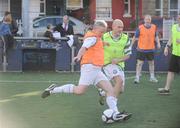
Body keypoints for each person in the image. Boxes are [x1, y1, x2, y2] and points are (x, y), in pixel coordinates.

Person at [41, 20, 131, 121]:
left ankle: (116, 113)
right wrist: (78, 56)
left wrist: (103, 43)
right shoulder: (92, 37)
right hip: (89, 68)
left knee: (110, 90)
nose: (102, 34)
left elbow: (97, 44)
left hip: (96, 70)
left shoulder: (97, 37)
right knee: (79, 91)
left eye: (104, 32)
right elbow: (84, 47)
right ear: (95, 29)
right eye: (101, 32)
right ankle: (53, 90)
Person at [98, 19, 132, 105]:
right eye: (119, 27)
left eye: (122, 27)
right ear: (113, 27)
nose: (121, 29)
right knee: (119, 81)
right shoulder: (104, 36)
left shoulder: (126, 38)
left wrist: (118, 60)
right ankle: (114, 108)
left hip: (119, 65)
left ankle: (104, 93)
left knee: (121, 90)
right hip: (107, 64)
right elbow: (97, 48)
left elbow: (128, 55)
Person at [132, 14, 161, 84]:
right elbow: (135, 37)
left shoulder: (154, 27)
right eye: (146, 19)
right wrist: (130, 45)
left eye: (149, 19)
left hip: (151, 49)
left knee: (151, 63)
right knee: (139, 64)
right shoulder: (140, 28)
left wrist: (158, 43)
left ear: (150, 20)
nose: (148, 21)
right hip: (141, 49)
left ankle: (152, 77)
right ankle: (137, 78)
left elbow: (156, 36)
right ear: (144, 20)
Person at [158, 15, 180, 95]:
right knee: (171, 71)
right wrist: (167, 47)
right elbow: (171, 38)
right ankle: (166, 89)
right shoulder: (174, 27)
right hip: (175, 54)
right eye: (178, 18)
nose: (179, 19)